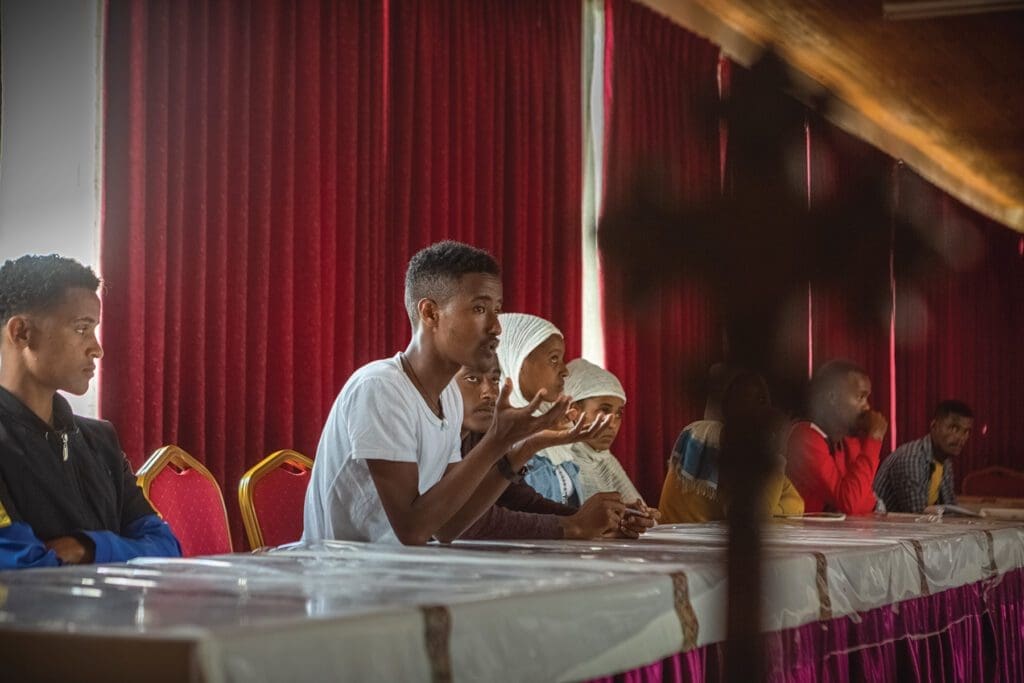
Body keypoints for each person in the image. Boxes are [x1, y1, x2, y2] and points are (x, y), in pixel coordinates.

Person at [302, 241, 582, 545]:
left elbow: (448, 526)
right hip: (342, 576)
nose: (496, 327)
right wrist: (497, 440)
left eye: (496, 310)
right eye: (479, 308)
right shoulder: (380, 388)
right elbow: (412, 530)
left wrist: (513, 452)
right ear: (430, 313)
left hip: (398, 573)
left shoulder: (448, 397)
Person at [0, 254, 181, 569]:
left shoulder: (101, 440)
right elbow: (25, 569)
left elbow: (167, 547)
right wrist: (124, 549)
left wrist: (88, 547)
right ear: (22, 333)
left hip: (112, 616)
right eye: (82, 329)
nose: (97, 349)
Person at [454, 360, 651, 539]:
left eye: (495, 379)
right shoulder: (437, 433)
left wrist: (606, 520)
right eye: (473, 378)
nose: (490, 393)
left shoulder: (478, 435)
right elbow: (462, 523)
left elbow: (519, 500)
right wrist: (572, 525)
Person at [659, 367, 803, 522]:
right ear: (726, 404)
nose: (761, 409)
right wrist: (778, 455)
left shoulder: (698, 432)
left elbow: (797, 503)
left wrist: (773, 509)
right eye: (748, 399)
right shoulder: (718, 444)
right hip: (684, 542)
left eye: (762, 400)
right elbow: (753, 518)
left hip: (684, 539)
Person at [494, 313, 581, 505]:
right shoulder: (493, 435)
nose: (565, 370)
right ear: (517, 361)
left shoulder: (556, 427)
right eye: (553, 359)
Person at [786, 360, 887, 514]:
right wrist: (874, 439)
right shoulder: (805, 437)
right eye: (860, 397)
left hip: (831, 534)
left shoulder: (846, 439)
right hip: (802, 536)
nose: (867, 407)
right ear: (832, 397)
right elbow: (850, 503)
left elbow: (866, 501)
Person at [557, 358, 644, 504]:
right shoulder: (559, 462)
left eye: (619, 414)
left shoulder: (605, 459)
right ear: (574, 411)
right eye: (604, 410)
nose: (612, 424)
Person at [874, 400, 973, 513]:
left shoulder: (945, 461)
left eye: (966, 431)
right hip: (884, 529)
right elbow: (917, 515)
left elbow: (950, 508)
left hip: (910, 527)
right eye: (954, 429)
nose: (961, 438)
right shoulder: (912, 458)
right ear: (934, 426)